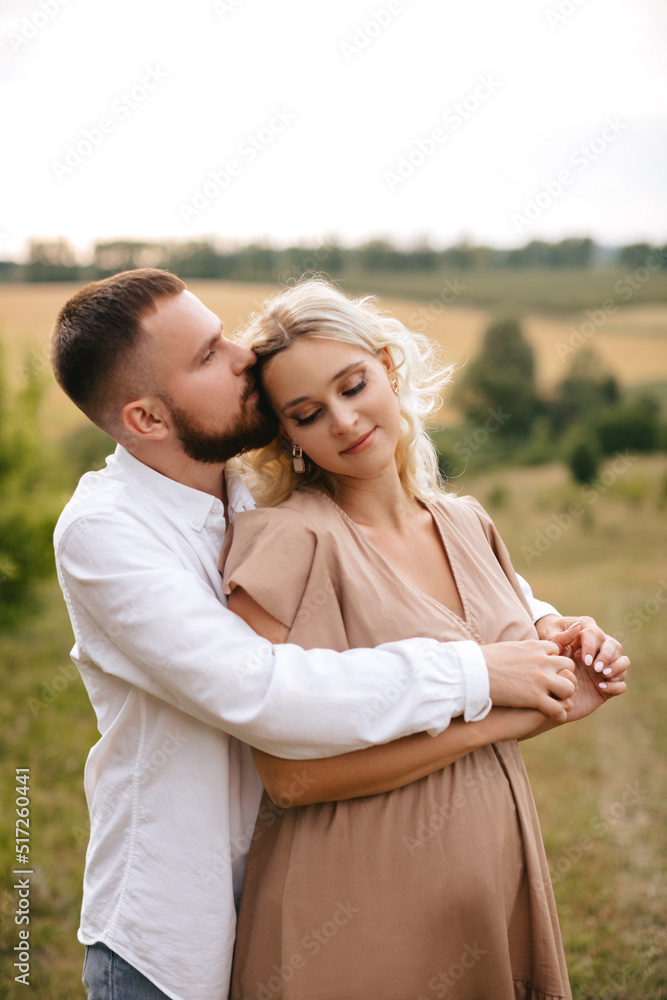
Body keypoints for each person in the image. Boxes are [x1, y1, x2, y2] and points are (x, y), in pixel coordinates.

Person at [50, 269, 623, 1000]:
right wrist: (479, 676)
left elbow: (402, 562)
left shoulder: (251, 486)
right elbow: (260, 688)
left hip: (314, 871)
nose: (240, 356)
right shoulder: (106, 533)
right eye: (205, 356)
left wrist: (545, 622)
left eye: (222, 333)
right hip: (174, 931)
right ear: (148, 419)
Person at [219, 278, 629, 1000]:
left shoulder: (468, 523)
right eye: (308, 413)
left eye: (354, 385)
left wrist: (566, 656)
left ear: (388, 365)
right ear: (287, 433)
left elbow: (521, 665)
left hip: (489, 884)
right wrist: (512, 712)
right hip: (347, 912)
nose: (344, 422)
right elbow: (287, 778)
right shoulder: (285, 541)